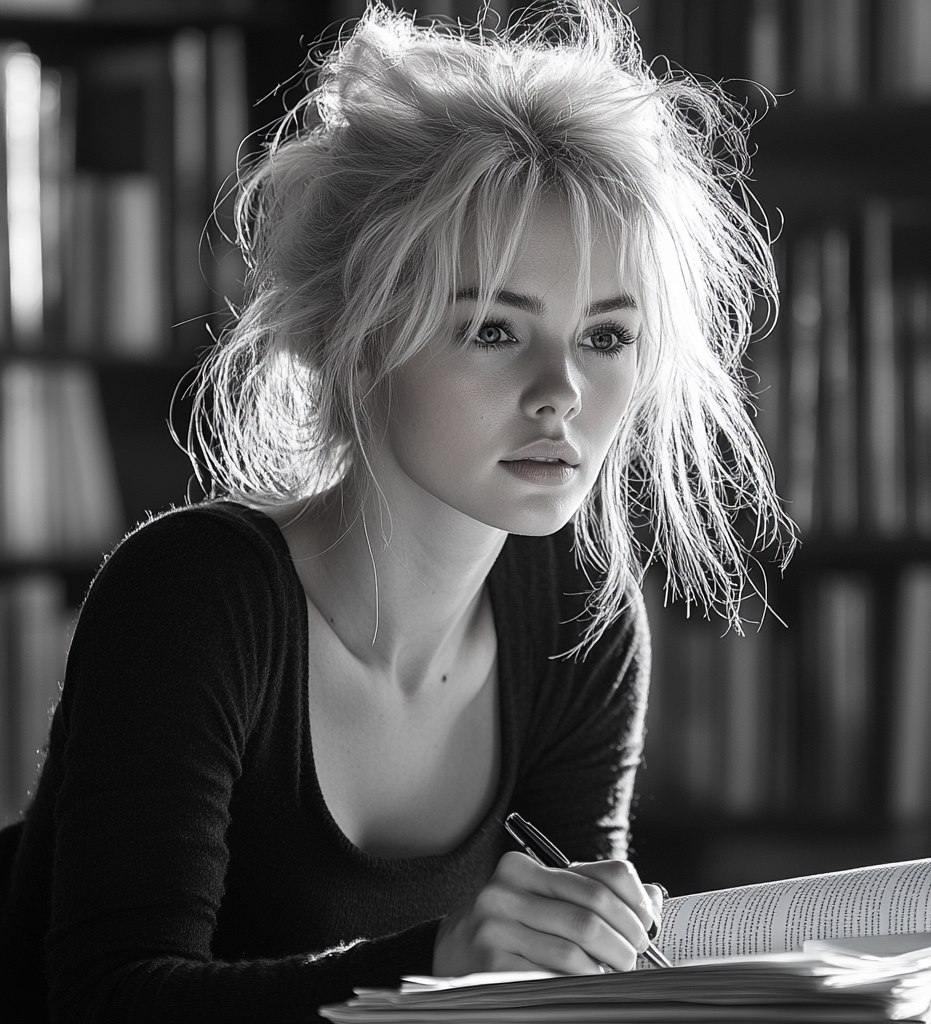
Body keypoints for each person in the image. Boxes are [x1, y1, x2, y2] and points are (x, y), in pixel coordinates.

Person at [0, 1, 789, 1021]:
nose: (561, 392)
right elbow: (105, 1001)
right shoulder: (193, 598)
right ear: (363, 337)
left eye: (604, 337)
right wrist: (439, 964)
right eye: (495, 330)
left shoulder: (575, 611)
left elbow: (569, 989)